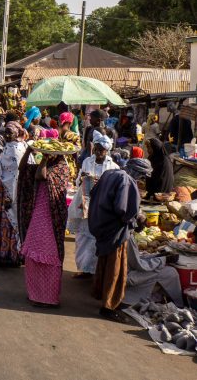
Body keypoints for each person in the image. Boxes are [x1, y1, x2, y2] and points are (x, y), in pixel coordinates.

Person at [88, 158, 151, 322]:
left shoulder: (110, 173)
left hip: (102, 225)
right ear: (137, 172)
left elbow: (94, 193)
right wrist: (137, 220)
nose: (141, 180)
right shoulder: (126, 180)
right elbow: (123, 209)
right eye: (142, 176)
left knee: (105, 263)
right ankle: (109, 306)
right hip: (115, 231)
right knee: (115, 269)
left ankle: (102, 294)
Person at [17, 150, 71, 307]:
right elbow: (22, 168)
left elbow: (40, 176)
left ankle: (49, 298)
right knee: (33, 257)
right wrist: (28, 151)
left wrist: (45, 159)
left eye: (51, 153)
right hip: (38, 216)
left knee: (49, 257)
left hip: (51, 219)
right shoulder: (43, 166)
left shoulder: (61, 167)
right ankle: (35, 294)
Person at [73, 131, 118, 279]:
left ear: (107, 151)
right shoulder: (87, 161)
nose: (98, 152)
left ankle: (96, 270)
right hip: (85, 204)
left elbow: (115, 187)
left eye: (101, 150)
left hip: (101, 206)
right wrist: (82, 179)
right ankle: (83, 269)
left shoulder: (113, 166)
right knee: (83, 238)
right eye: (96, 149)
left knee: (96, 238)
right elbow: (78, 180)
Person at [0, 121, 28, 266]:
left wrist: (10, 197)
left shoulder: (18, 149)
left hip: (11, 192)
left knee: (11, 222)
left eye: (10, 132)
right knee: (2, 221)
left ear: (17, 133)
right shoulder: (9, 147)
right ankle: (0, 252)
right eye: (6, 132)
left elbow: (17, 175)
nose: (6, 135)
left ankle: (11, 255)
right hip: (3, 189)